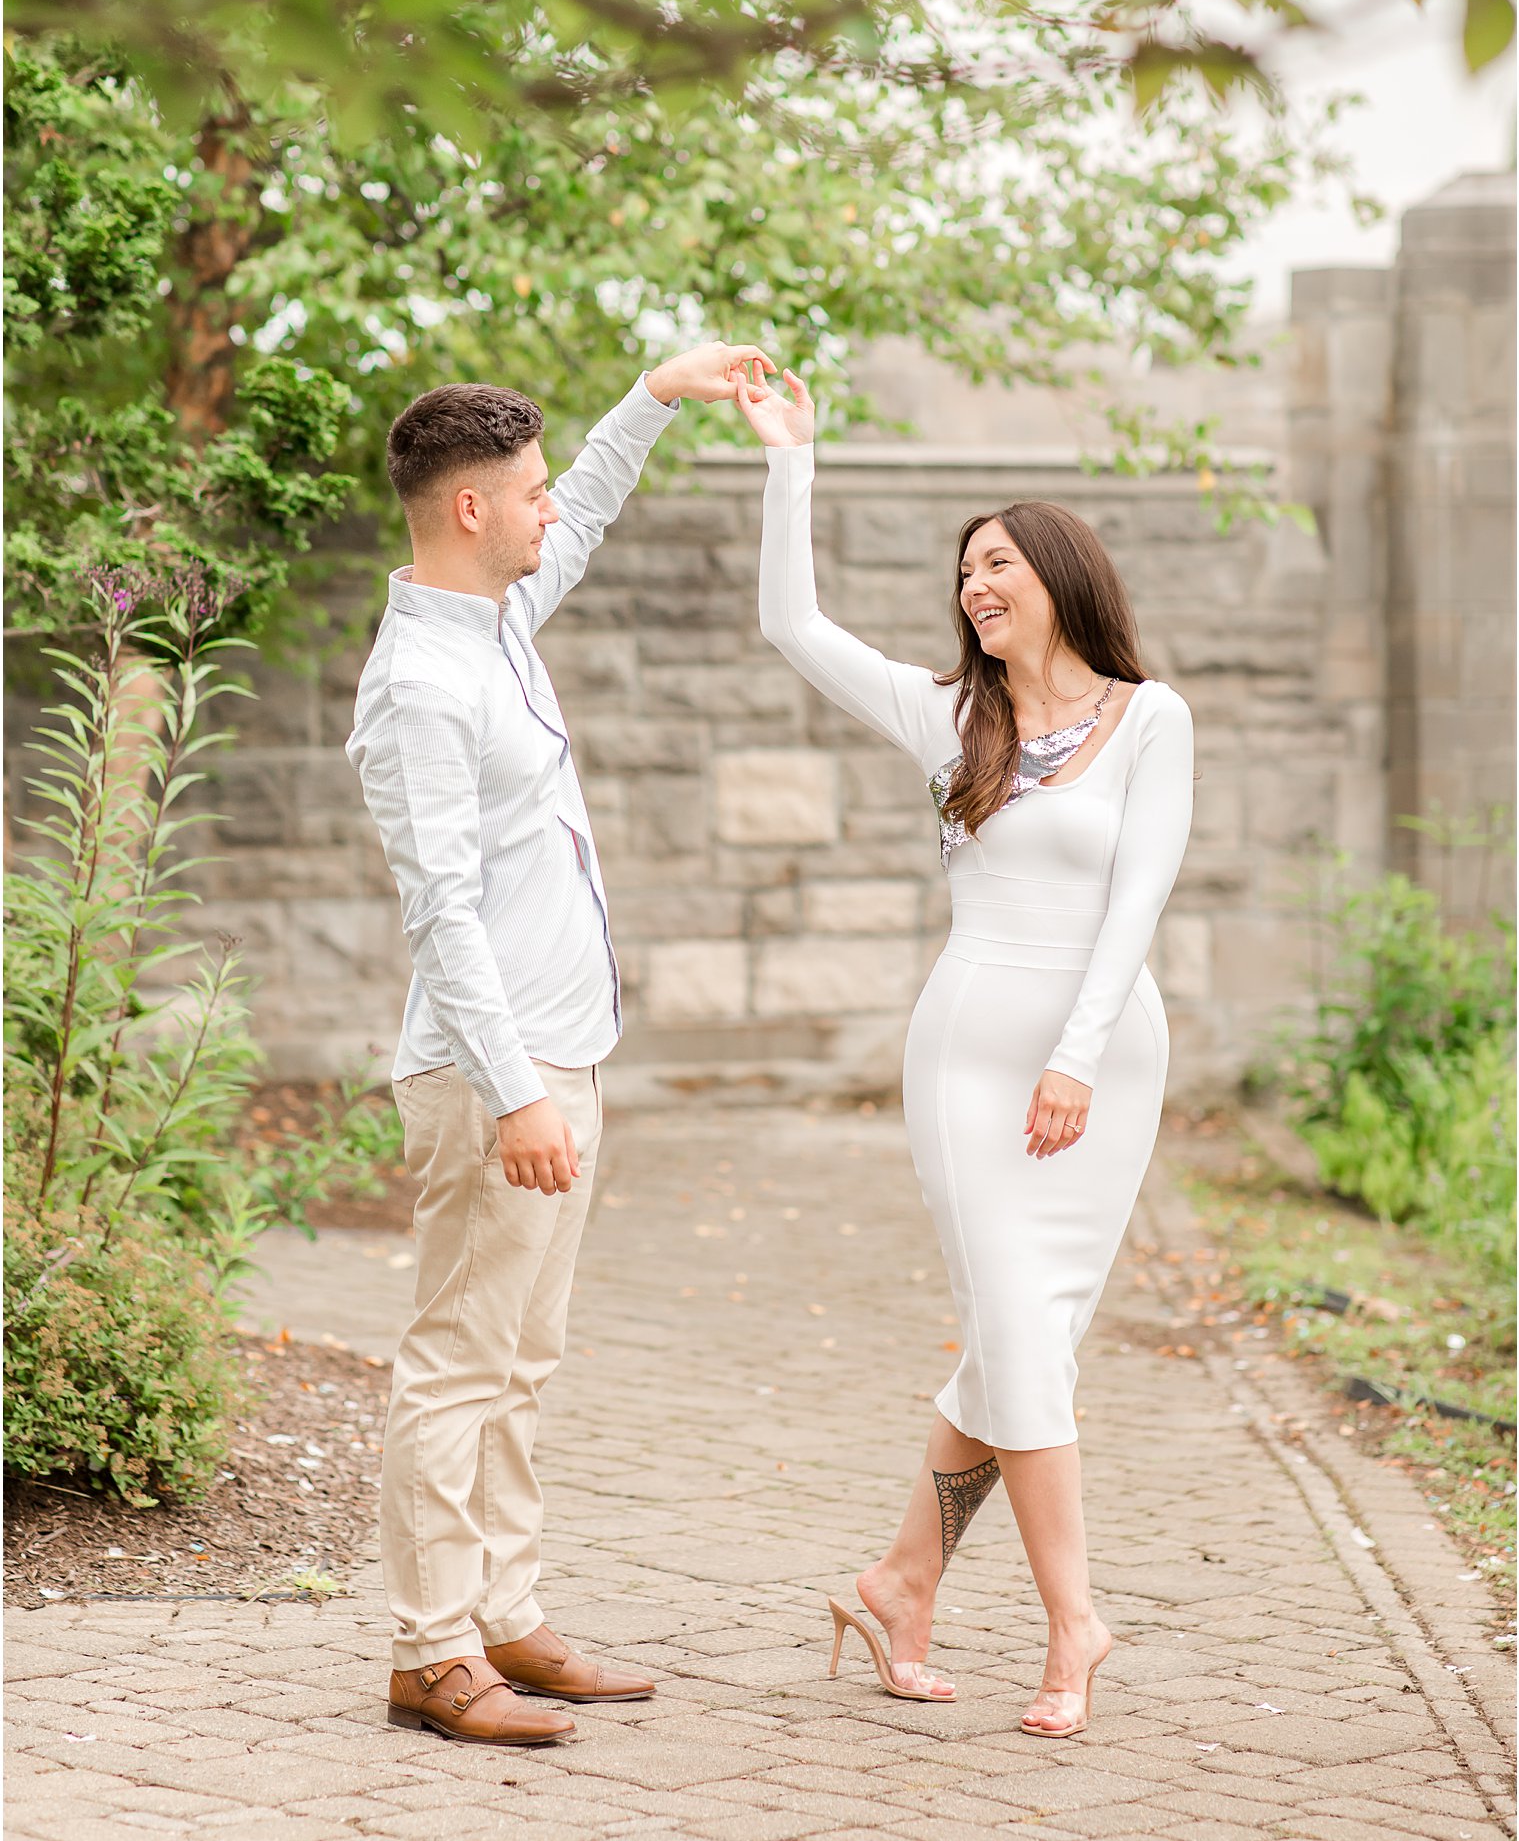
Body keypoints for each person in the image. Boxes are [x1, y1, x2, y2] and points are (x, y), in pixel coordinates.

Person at [735, 366, 1194, 1741]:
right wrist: (790, 461)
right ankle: (1075, 1622)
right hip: (964, 1061)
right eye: (965, 571)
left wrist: (1078, 1053)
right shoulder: (950, 718)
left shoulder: (1147, 717)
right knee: (1014, 1327)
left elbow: (1140, 898)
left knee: (1028, 1335)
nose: (976, 583)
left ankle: (899, 1581)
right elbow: (789, 621)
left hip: (1103, 1062)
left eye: (998, 562)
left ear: (1060, 574)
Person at [347, 345, 772, 1747]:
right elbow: (441, 910)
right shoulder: (422, 681)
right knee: (457, 1361)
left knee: (523, 1359)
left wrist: (656, 394)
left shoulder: (500, 619)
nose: (548, 511)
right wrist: (518, 1089)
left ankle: (505, 1614)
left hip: (559, 1059)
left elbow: (582, 510)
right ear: (469, 510)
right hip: (496, 1075)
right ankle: (429, 1650)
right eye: (524, 492)